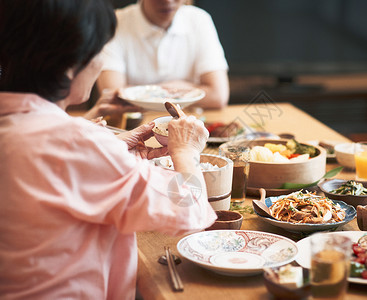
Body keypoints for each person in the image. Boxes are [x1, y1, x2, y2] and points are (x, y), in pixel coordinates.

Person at [0, 0, 216, 299]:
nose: (102, 62)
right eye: (101, 49)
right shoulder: (76, 143)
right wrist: (187, 151)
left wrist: (110, 149)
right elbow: (187, 211)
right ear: (70, 62)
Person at [94, 0, 230, 116]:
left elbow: (218, 96)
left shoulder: (199, 19)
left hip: (187, 122)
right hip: (133, 126)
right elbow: (112, 96)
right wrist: (180, 91)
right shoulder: (116, 22)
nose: (168, 1)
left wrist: (142, 94)